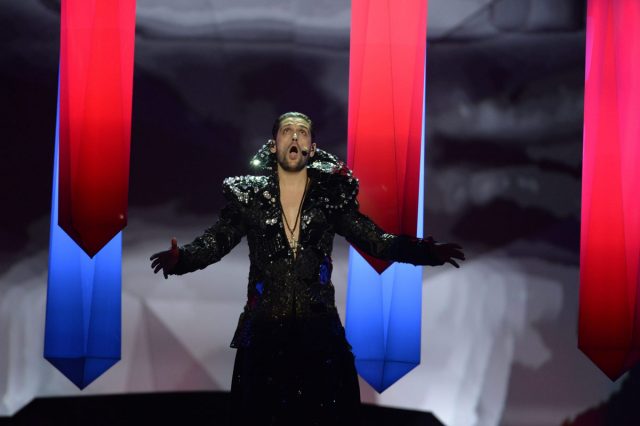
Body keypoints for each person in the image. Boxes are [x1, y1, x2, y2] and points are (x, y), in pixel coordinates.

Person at [150, 112, 465, 425]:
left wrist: (423, 251)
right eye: (287, 131)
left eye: (302, 132)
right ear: (274, 145)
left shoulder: (329, 200)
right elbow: (217, 240)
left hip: (318, 335)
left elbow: (375, 241)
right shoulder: (250, 198)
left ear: (312, 148)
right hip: (264, 334)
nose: (295, 137)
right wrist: (183, 258)